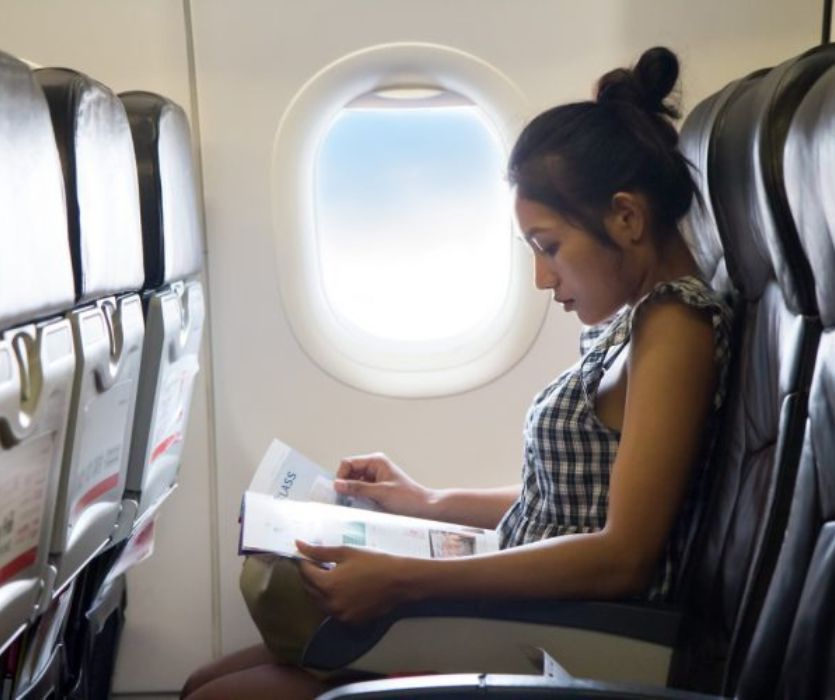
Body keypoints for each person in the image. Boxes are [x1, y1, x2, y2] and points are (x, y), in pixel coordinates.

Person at [181, 46, 733, 700]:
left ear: (627, 216)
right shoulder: (635, 320)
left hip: (570, 636)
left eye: (549, 247)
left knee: (218, 696)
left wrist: (404, 580)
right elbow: (571, 500)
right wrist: (428, 502)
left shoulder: (676, 328)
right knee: (206, 681)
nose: (541, 277)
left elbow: (622, 557)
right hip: (522, 612)